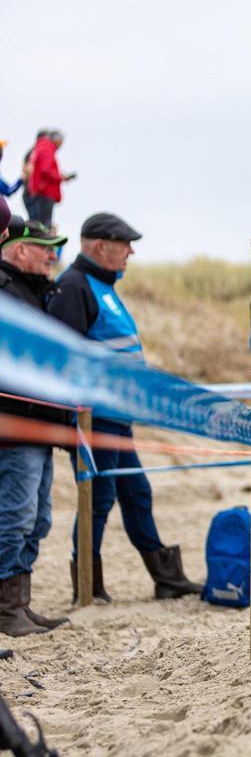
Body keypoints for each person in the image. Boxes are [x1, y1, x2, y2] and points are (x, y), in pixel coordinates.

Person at [46, 213, 204, 602]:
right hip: (94, 417)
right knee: (97, 498)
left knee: (137, 492)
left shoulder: (104, 286)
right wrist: (73, 422)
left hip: (118, 417)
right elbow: (62, 357)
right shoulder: (75, 286)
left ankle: (166, 576)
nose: (131, 251)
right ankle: (88, 585)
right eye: (125, 243)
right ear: (100, 246)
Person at [0, 212, 71, 636]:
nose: (53, 256)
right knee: (15, 517)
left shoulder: (32, 291)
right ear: (20, 249)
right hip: (16, 427)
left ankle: (18, 603)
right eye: (46, 249)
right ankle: (7, 608)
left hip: (39, 424)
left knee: (38, 518)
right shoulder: (7, 292)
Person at [25, 130, 76, 225]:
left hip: (38, 192)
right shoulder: (47, 149)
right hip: (45, 192)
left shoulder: (40, 148)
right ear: (57, 140)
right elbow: (46, 170)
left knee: (38, 224)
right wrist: (60, 177)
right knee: (44, 225)